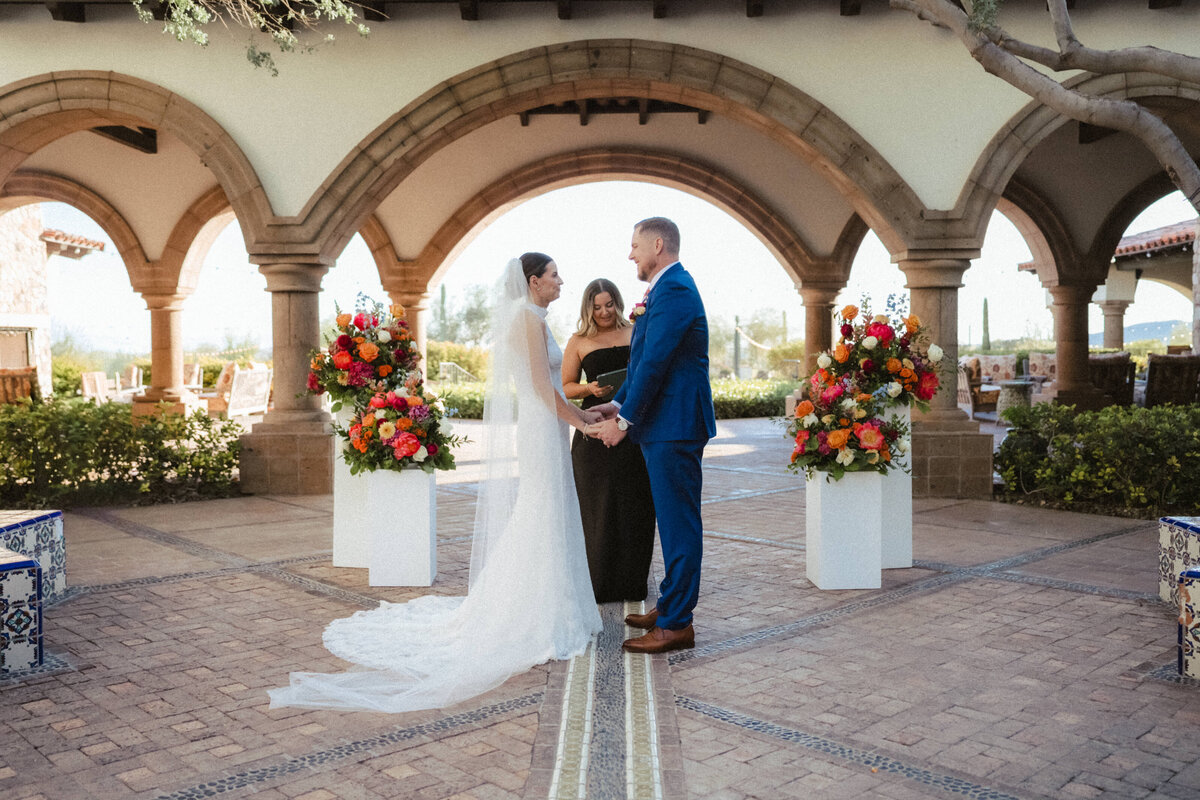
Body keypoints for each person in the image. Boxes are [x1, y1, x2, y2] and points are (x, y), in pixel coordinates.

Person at [268, 253, 603, 713]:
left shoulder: (535, 318)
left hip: (549, 425)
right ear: (533, 281)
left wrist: (586, 413)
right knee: (542, 510)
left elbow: (555, 388)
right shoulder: (526, 320)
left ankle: (550, 607)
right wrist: (583, 423)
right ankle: (533, 614)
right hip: (542, 427)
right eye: (554, 275)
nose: (561, 281)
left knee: (549, 510)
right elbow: (543, 391)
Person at [591, 217, 716, 655]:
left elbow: (658, 363)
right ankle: (669, 606)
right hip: (664, 425)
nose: (630, 255)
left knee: (680, 525)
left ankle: (677, 624)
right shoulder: (663, 289)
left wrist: (622, 425)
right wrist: (617, 403)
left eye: (634, 246)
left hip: (675, 426)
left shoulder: (676, 289)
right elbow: (643, 360)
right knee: (672, 520)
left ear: (658, 245)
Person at [562, 278, 656, 603]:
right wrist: (589, 390)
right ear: (588, 308)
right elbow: (566, 387)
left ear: (617, 302)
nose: (603, 312)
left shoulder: (634, 332)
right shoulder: (578, 341)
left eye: (608, 304)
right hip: (595, 426)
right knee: (597, 505)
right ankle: (598, 585)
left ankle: (632, 584)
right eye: (597, 306)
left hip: (635, 427)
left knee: (636, 503)